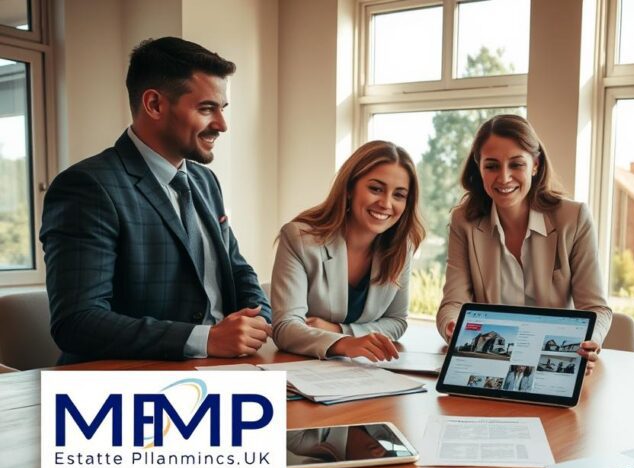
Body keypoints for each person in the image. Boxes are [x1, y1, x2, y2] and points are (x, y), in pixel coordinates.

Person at [40, 37, 270, 365]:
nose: (222, 124)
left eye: (222, 109)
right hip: (132, 388)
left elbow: (236, 267)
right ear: (155, 105)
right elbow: (77, 321)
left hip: (224, 370)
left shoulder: (204, 180)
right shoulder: (87, 187)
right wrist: (205, 339)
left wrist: (262, 320)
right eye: (207, 109)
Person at [436, 114, 611, 374]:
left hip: (552, 364)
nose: (503, 177)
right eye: (492, 166)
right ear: (479, 168)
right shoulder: (465, 221)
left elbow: (596, 308)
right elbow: (452, 303)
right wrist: (452, 327)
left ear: (535, 165)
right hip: (494, 362)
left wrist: (590, 342)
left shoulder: (573, 218)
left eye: (516, 164)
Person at [271, 141, 425, 360]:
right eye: (375, 189)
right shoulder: (299, 238)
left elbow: (397, 322)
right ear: (350, 188)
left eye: (398, 195)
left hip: (362, 372)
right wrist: (345, 345)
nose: (386, 203)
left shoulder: (401, 246)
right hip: (303, 367)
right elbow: (285, 328)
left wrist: (339, 331)